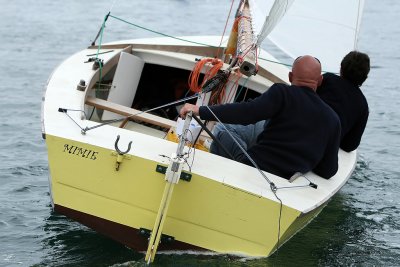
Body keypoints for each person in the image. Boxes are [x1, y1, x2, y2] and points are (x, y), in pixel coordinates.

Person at [179, 56, 341, 180]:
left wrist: (200, 109)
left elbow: (246, 113)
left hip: (255, 169)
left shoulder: (282, 93)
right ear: (319, 81)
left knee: (222, 131)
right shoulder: (333, 119)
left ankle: (213, 177)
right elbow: (328, 171)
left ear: (291, 77)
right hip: (288, 182)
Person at [317, 51, 370, 152]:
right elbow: (350, 145)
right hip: (325, 148)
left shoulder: (327, 79)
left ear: (341, 68)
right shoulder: (363, 105)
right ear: (365, 78)